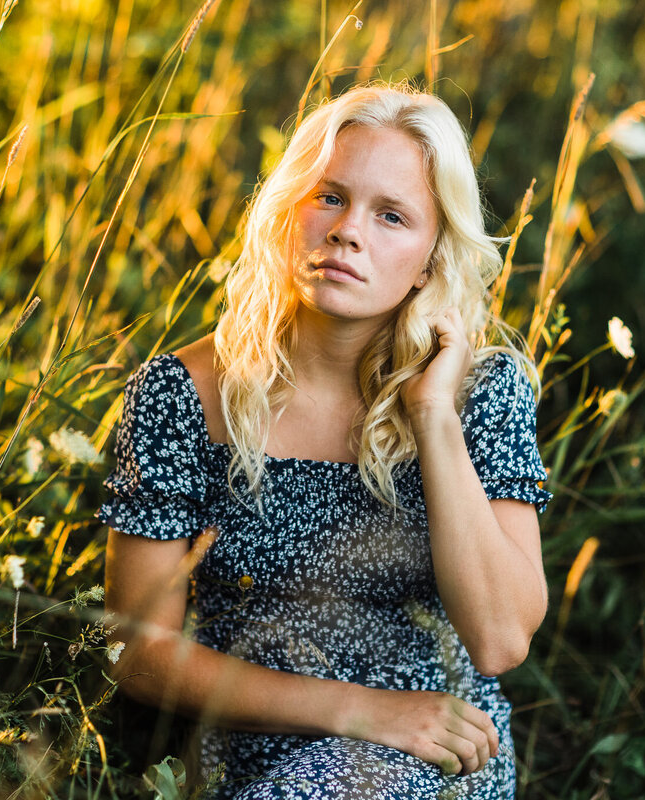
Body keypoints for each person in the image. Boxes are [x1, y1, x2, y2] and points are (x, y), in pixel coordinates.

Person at [97, 82, 552, 799]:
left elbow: (499, 639)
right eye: (330, 197)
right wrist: (363, 712)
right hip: (243, 746)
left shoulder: (480, 393)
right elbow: (138, 653)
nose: (348, 232)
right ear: (289, 212)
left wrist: (433, 417)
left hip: (435, 747)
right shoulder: (183, 393)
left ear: (431, 258)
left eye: (392, 216)